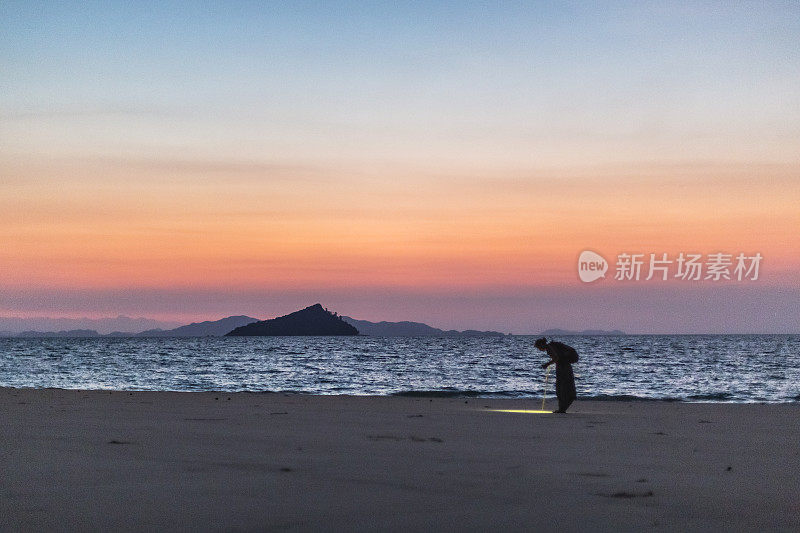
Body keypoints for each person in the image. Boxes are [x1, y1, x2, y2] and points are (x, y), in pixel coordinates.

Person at [535, 337, 578, 413]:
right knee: (566, 386)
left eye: (538, 347)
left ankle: (562, 408)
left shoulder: (549, 347)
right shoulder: (552, 346)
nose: (539, 349)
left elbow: (556, 358)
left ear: (541, 344)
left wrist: (547, 364)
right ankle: (563, 408)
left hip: (563, 367)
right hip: (566, 366)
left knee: (561, 388)